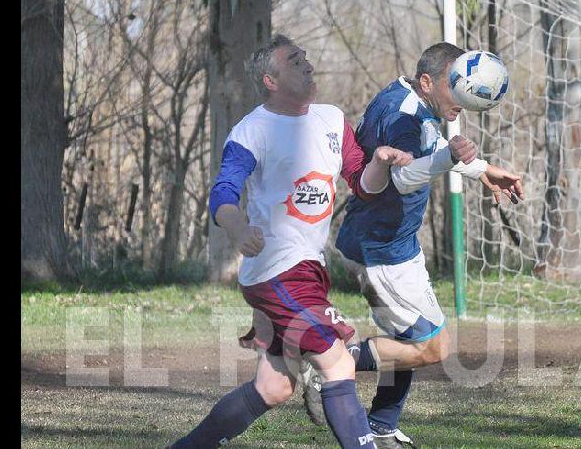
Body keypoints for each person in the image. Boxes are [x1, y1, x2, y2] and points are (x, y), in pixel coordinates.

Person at [169, 34, 414, 449]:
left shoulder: (332, 119)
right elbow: (223, 192)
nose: (308, 66)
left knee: (275, 386)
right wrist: (239, 229)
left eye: (305, 59)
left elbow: (362, 185)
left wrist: (377, 162)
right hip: (276, 270)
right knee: (337, 362)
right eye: (295, 62)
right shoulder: (251, 130)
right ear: (271, 80)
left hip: (307, 270)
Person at [302, 42, 525, 448]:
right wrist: (452, 160)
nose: (462, 99)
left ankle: (382, 427)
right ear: (427, 81)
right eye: (454, 88)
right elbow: (401, 178)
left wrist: (480, 169)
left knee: (403, 339)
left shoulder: (405, 97)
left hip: (388, 242)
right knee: (431, 346)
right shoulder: (407, 117)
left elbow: (430, 148)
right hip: (382, 251)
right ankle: (333, 364)